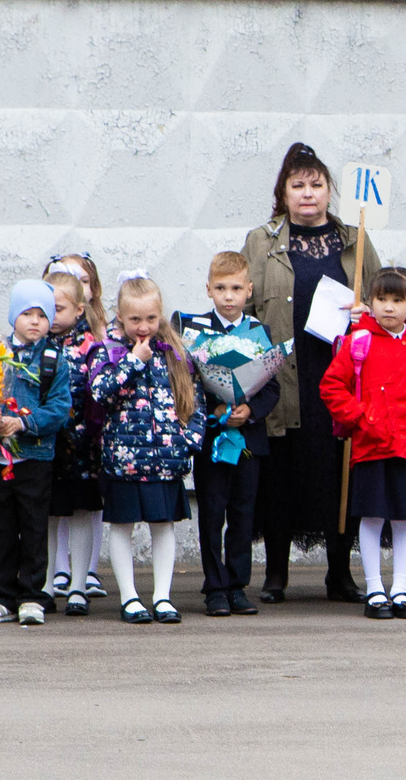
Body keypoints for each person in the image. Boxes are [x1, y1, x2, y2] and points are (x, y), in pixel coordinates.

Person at [243, 142, 382, 604]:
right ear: (283, 193)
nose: (308, 193)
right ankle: (275, 575)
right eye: (298, 185)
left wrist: (368, 313)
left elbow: (385, 299)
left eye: (317, 185)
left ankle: (339, 574)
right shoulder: (261, 241)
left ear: (329, 191)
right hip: (283, 374)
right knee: (281, 474)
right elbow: (244, 305)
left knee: (337, 469)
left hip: (339, 373)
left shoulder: (354, 240)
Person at [320, 266, 406, 620]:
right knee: (372, 517)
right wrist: (363, 417)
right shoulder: (359, 342)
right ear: (370, 302)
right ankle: (375, 590)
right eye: (382, 299)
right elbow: (331, 386)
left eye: (397, 300)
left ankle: (400, 590)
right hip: (371, 447)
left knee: (405, 519)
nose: (389, 307)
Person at [89, 272, 206, 624]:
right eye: (135, 319)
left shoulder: (174, 352)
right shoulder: (108, 350)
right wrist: (132, 361)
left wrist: (189, 441)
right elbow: (100, 393)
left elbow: (194, 399)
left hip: (166, 459)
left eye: (151, 318)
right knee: (122, 526)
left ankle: (162, 596)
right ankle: (129, 597)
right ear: (120, 317)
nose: (144, 327)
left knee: (163, 525)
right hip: (125, 461)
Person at [178, 251, 279, 617]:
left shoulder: (258, 332)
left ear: (249, 289)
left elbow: (272, 386)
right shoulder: (195, 331)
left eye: (236, 288)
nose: (229, 296)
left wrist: (249, 411)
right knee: (212, 512)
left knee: (242, 513)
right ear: (209, 289)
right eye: (221, 288)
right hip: (212, 440)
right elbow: (186, 382)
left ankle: (237, 585)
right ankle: (215, 587)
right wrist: (216, 409)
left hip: (248, 439)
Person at [0, 281, 72, 626]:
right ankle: (2, 595)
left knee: (33, 526)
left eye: (42, 315)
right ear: (13, 315)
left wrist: (23, 423)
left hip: (35, 457)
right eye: (27, 313)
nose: (34, 321)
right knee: (3, 526)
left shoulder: (54, 360)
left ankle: (32, 594)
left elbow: (59, 408)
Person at [42, 265, 105, 616]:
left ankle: (79, 585)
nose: (50, 316)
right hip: (44, 445)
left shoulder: (92, 346)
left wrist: (84, 433)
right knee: (48, 515)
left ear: (79, 309)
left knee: (81, 513)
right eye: (44, 309)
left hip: (82, 446)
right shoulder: (35, 344)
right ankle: (47, 583)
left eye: (58, 309)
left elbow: (97, 395)